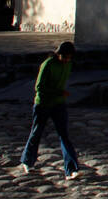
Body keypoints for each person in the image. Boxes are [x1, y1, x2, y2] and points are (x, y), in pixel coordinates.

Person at [19, 41, 81, 179]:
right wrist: (57, 93)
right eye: (65, 57)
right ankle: (27, 161)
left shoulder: (68, 65)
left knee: (64, 136)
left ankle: (71, 168)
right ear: (59, 54)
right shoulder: (48, 64)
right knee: (36, 132)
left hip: (59, 104)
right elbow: (39, 87)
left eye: (69, 58)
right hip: (43, 104)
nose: (66, 60)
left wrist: (60, 95)